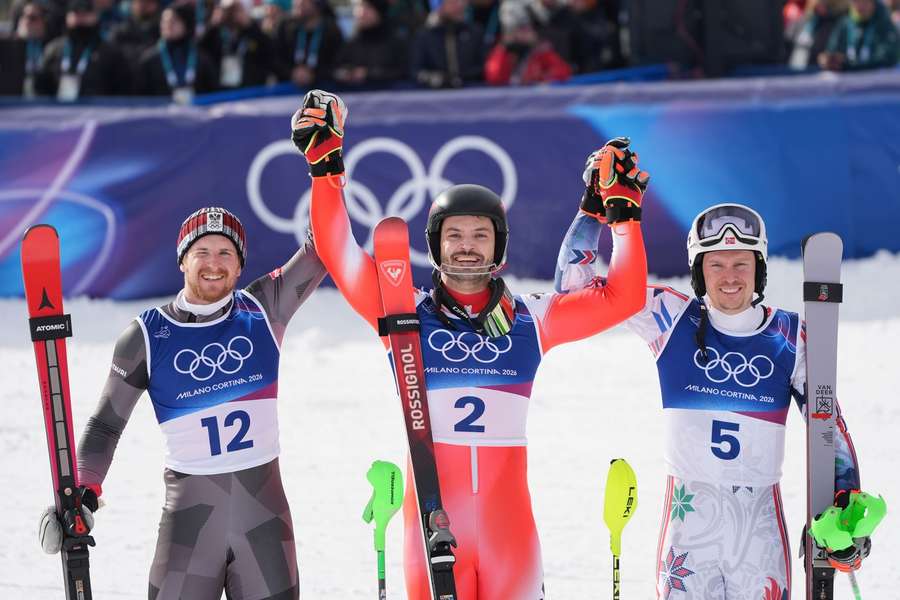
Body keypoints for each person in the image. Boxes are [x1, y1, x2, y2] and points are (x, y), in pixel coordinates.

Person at [292, 90, 649, 599]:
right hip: (433, 531)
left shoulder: (532, 318)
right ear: (435, 246)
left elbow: (624, 297)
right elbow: (337, 250)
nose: (465, 245)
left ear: (498, 246)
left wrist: (624, 219)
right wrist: (325, 166)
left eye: (480, 235)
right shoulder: (399, 311)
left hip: (510, 538)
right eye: (453, 235)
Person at [555, 189, 869, 597]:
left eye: (741, 263)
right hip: (688, 532)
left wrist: (846, 508)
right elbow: (572, 292)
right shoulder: (668, 318)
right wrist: (592, 210)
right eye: (716, 264)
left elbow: (829, 429)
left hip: (759, 534)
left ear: (759, 269)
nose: (730, 276)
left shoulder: (791, 338)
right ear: (698, 271)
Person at [39, 207, 327, 599]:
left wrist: (325, 171)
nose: (213, 264)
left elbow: (322, 247)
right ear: (182, 261)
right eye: (202, 251)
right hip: (190, 527)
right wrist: (81, 494)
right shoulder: (146, 335)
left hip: (264, 523)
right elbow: (105, 426)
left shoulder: (263, 308)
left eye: (226, 252)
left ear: (240, 266)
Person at [35, 0, 132, 100]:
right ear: (67, 16)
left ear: (96, 16)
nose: (80, 18)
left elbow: (122, 89)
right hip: (58, 112)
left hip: (99, 112)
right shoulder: (53, 50)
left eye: (85, 13)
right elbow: (41, 86)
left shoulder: (110, 52)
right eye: (76, 13)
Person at [135, 2, 218, 100]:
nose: (168, 25)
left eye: (174, 21)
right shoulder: (149, 60)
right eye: (164, 21)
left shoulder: (202, 60)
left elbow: (213, 94)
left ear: (186, 24)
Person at [484, 0, 571, 86]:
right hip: (508, 96)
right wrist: (504, 49)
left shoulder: (541, 51)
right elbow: (494, 77)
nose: (522, 34)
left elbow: (563, 73)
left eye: (526, 30)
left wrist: (542, 78)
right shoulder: (503, 51)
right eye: (517, 30)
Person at [332, 0, 409, 89]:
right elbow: (335, 69)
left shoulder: (395, 42)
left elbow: (402, 72)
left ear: (380, 11)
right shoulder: (351, 42)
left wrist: (369, 74)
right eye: (359, 6)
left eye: (368, 7)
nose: (361, 12)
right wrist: (346, 73)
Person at [200, 0, 275, 89]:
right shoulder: (217, 33)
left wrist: (248, 25)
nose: (232, 14)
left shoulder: (254, 31)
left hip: (252, 91)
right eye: (228, 10)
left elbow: (269, 51)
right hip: (223, 91)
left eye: (236, 9)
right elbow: (201, 49)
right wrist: (213, 24)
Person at [411, 0, 485, 88]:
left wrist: (459, 78)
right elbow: (416, 71)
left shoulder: (475, 32)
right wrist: (437, 79)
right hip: (434, 93)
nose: (459, 6)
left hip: (472, 90)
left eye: (461, 2)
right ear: (439, 6)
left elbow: (482, 66)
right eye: (452, 2)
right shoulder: (425, 36)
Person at [273, 0, 344, 89]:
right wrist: (291, 72)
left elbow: (337, 64)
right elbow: (274, 59)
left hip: (321, 92)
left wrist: (314, 75)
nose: (298, 2)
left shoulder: (332, 31)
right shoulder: (285, 27)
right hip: (286, 93)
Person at [818, 0, 899, 70]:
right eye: (856, 1)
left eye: (865, 1)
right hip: (847, 83)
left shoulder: (884, 24)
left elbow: (887, 58)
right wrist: (829, 60)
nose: (860, 5)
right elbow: (832, 50)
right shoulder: (844, 24)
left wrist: (850, 66)